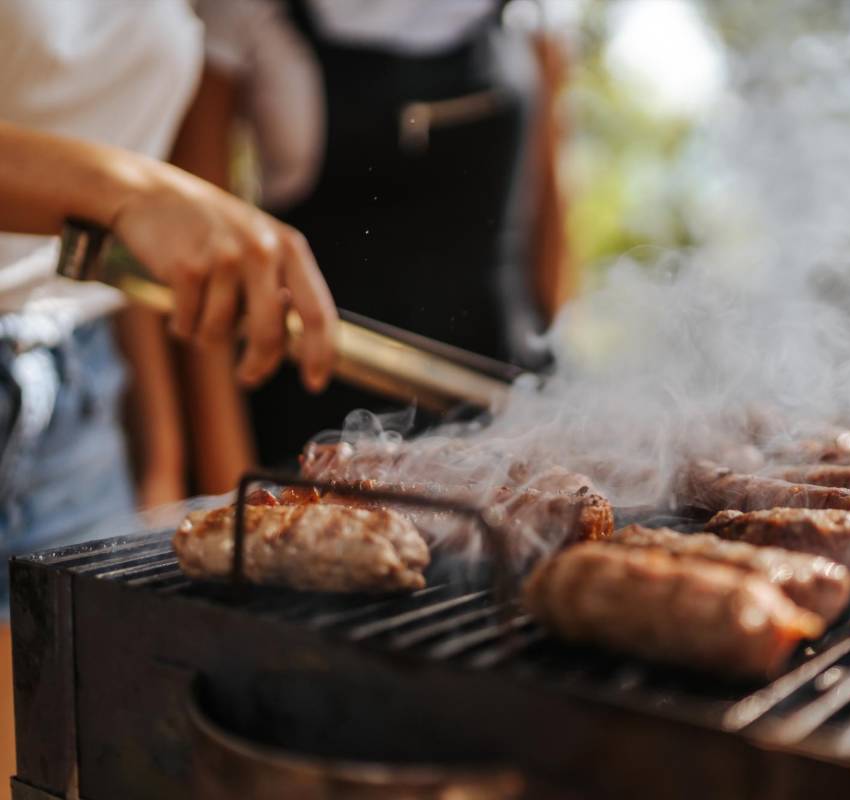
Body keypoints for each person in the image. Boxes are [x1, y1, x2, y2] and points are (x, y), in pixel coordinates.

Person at [0, 1, 339, 591]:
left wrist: (161, 458)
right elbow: (124, 199)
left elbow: (122, 239)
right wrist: (128, 190)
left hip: (76, 396)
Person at [177, 0, 569, 467]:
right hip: (312, 431)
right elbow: (202, 266)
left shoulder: (535, 11)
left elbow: (552, 227)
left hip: (510, 411)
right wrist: (226, 477)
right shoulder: (241, 13)